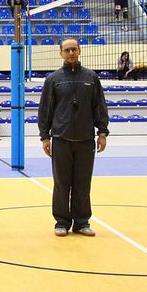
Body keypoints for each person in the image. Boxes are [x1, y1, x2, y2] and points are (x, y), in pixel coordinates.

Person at [38, 38, 109, 237]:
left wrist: (102, 132)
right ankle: (61, 222)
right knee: (62, 184)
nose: (71, 53)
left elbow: (99, 106)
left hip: (86, 140)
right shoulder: (53, 79)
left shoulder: (91, 77)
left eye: (74, 49)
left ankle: (81, 222)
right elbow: (45, 110)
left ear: (79, 51)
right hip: (61, 139)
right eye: (67, 50)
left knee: (83, 183)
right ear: (60, 53)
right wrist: (45, 137)